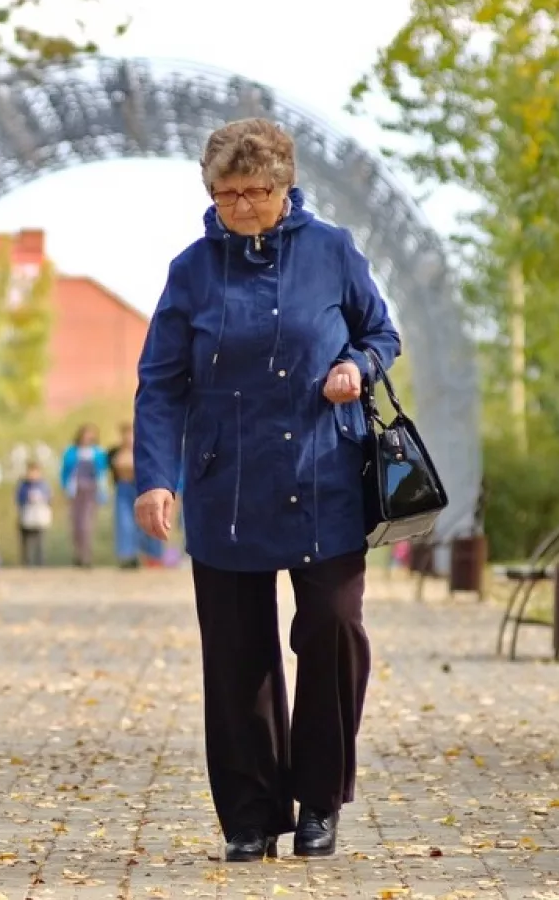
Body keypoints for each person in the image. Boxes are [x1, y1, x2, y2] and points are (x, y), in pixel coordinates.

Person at [133, 118, 401, 863]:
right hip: (227, 483)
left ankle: (320, 799)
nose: (243, 205)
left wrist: (359, 368)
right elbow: (160, 382)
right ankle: (250, 814)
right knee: (237, 653)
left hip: (325, 477)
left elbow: (381, 333)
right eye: (227, 193)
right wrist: (156, 477)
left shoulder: (332, 251)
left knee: (333, 631)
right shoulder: (191, 270)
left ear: (286, 187)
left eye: (257, 191)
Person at [107, 422, 162, 568]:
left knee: (148, 521)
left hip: (142, 487)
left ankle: (152, 555)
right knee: (125, 523)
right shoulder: (115, 452)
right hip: (123, 489)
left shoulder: (145, 450)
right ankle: (128, 556)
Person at [60, 425, 108, 566]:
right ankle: (78, 553)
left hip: (91, 490)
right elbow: (65, 472)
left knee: (86, 523)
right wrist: (65, 487)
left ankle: (86, 555)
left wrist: (103, 491)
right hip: (75, 490)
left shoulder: (98, 453)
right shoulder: (71, 452)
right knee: (75, 523)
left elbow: (102, 473)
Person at [15, 462, 53, 566]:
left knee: (39, 543)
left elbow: (49, 499)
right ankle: (26, 563)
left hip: (39, 518)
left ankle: (40, 563)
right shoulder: (23, 485)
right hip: (26, 516)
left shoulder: (44, 485)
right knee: (26, 543)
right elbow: (18, 499)